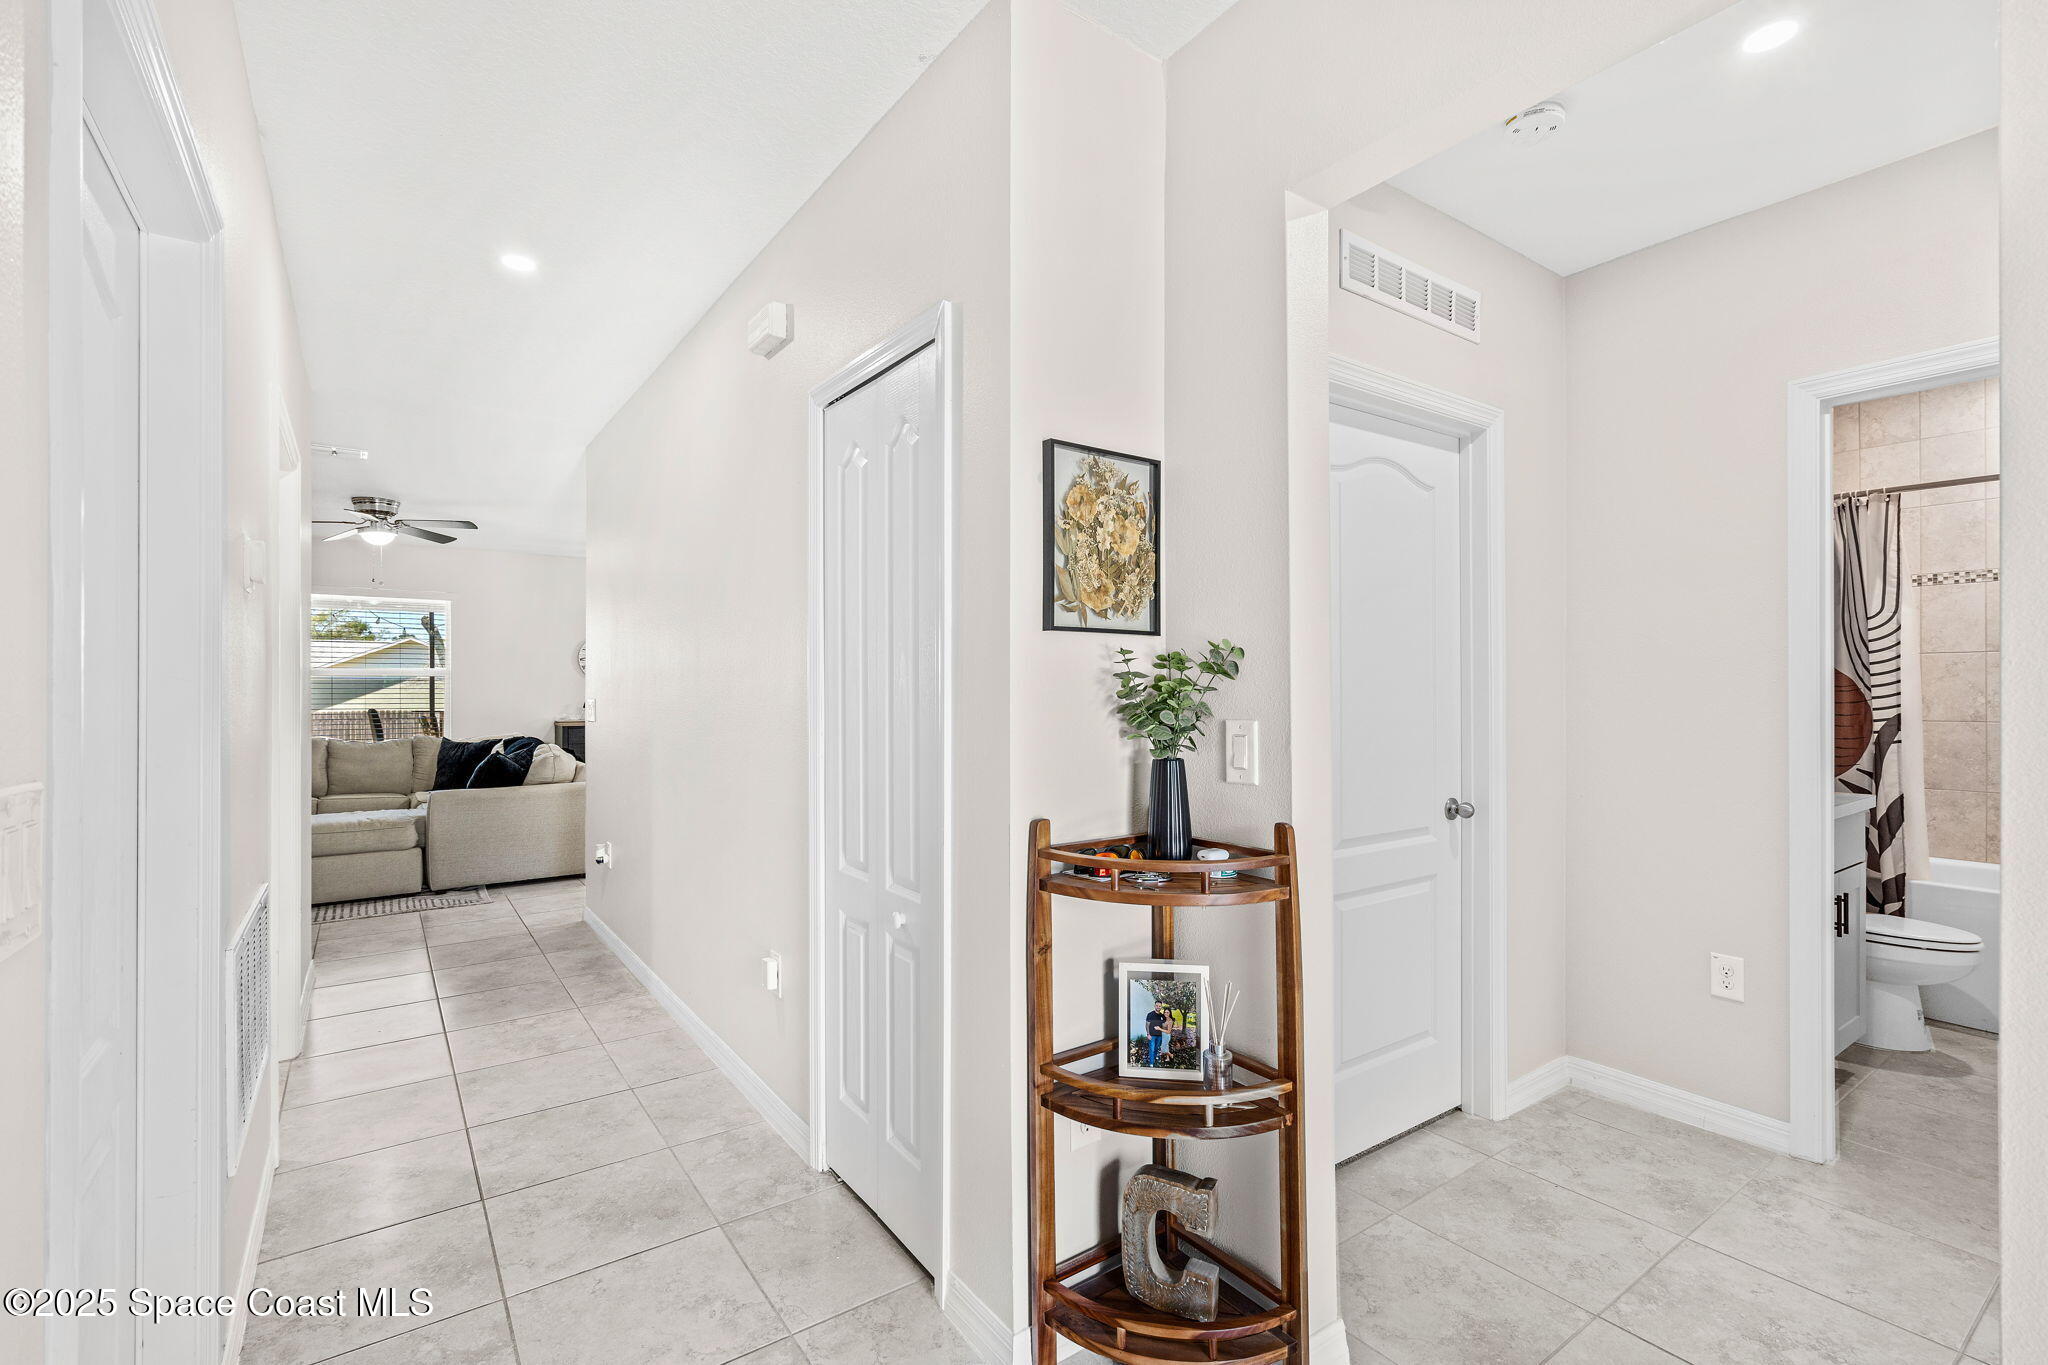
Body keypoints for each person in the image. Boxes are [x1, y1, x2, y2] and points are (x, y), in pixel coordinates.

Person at [1144, 1001, 1170, 1066]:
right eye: (1157, 1005)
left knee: (1156, 1048)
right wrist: (1148, 1034)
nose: (1158, 1007)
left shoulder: (1162, 1016)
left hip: (1159, 1036)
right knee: (1152, 1049)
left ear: (1161, 1007)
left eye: (1159, 1006)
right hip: (1152, 1035)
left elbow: (1165, 1026)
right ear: (1154, 1006)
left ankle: (1154, 1059)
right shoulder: (1150, 1014)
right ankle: (1151, 1063)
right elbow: (1147, 1025)